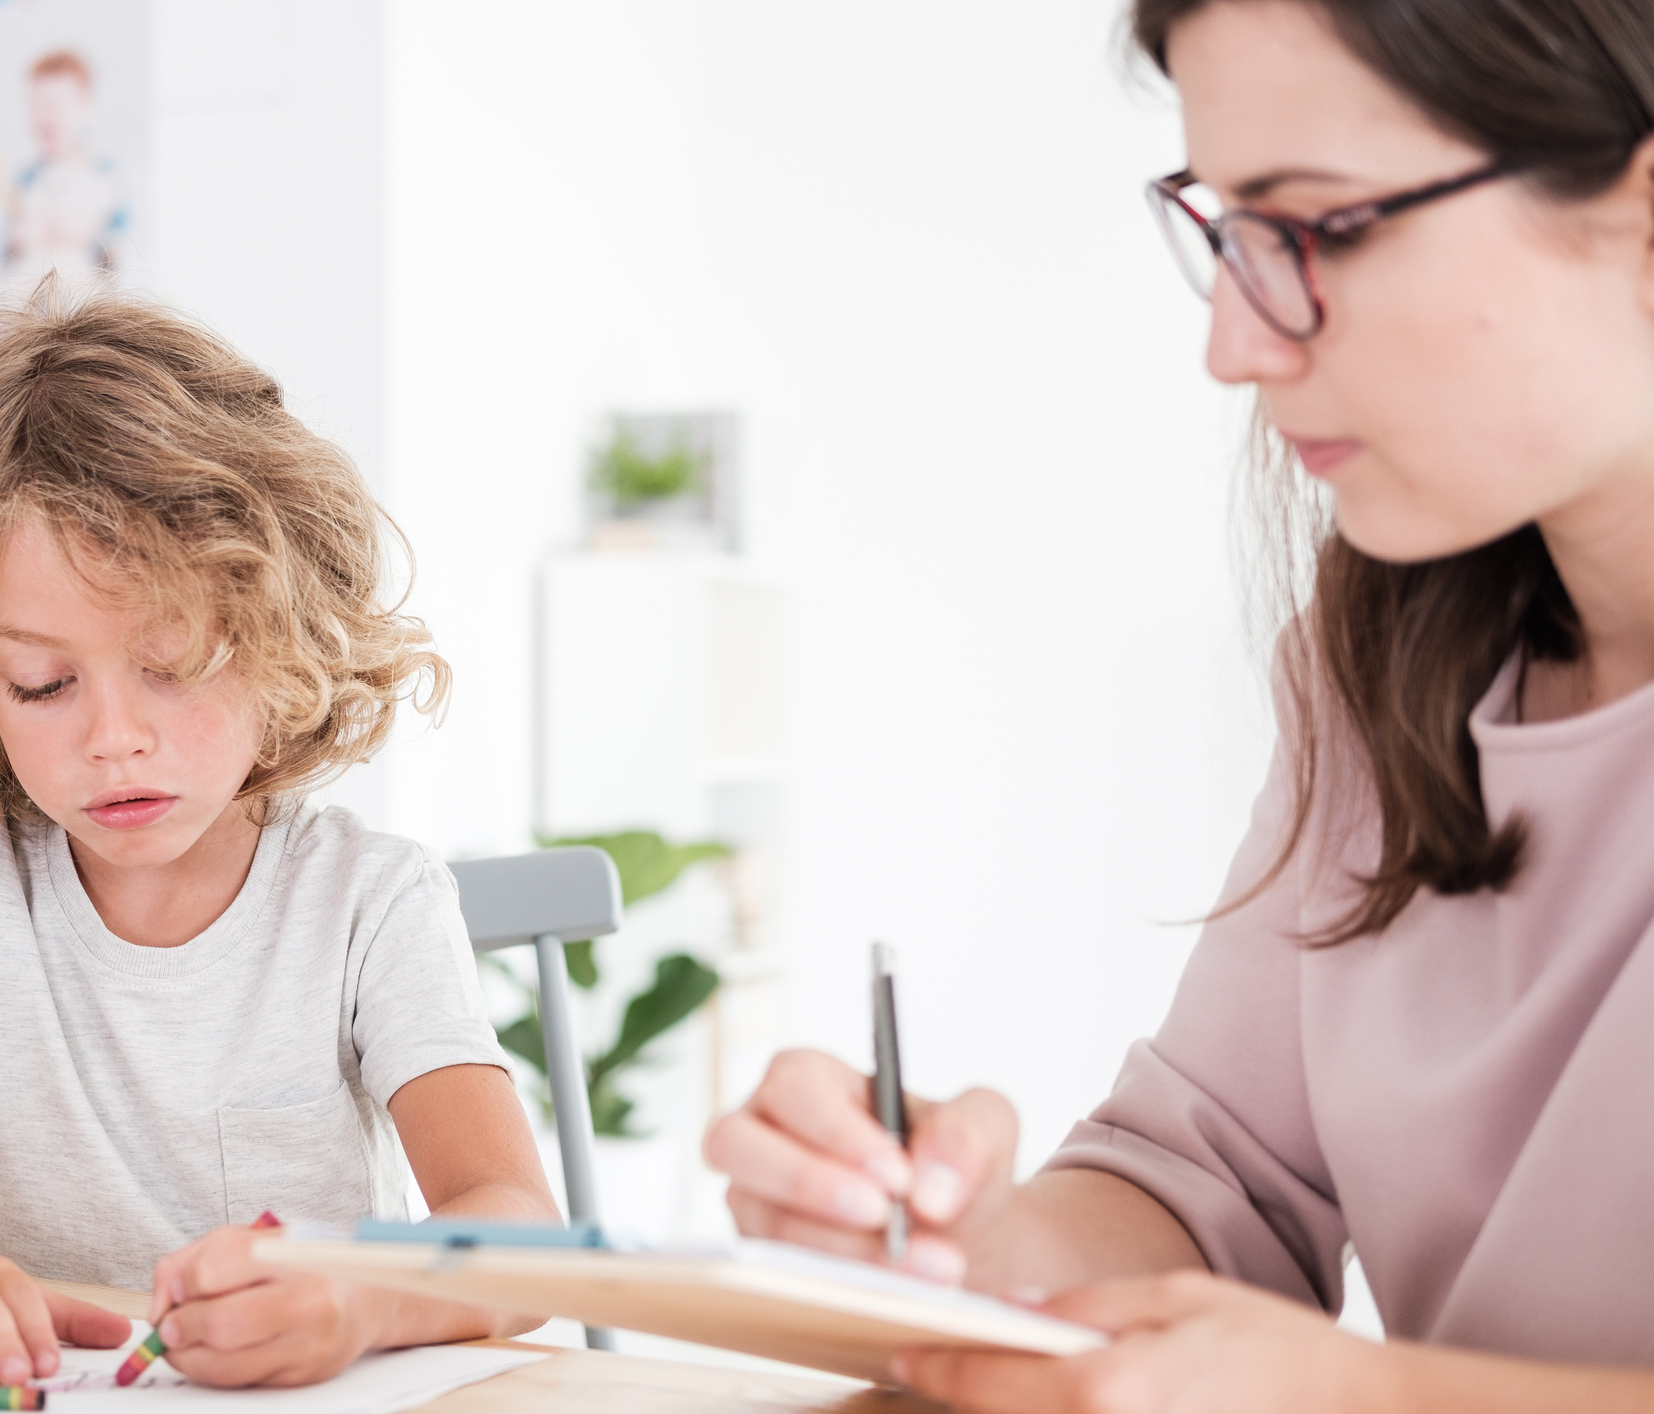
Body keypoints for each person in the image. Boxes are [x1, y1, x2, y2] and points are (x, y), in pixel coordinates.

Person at [706, 1, 1654, 1409]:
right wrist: (966, 1247)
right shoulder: (1378, 670)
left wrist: (1369, 1399)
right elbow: (1218, 1183)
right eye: (1229, 228)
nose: (1232, 343)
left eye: (1319, 228)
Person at [0, 288, 560, 1389]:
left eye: (172, 665)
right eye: (43, 684)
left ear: (277, 638)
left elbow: (521, 1235)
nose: (113, 739)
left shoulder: (371, 902)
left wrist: (361, 1299)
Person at [3, 50, 127, 293]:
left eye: (55, 106)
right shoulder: (25, 179)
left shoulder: (107, 176)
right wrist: (20, 233)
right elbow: (7, 250)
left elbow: (121, 252)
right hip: (29, 295)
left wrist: (90, 236)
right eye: (36, 106)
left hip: (84, 297)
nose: (45, 116)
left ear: (84, 106)